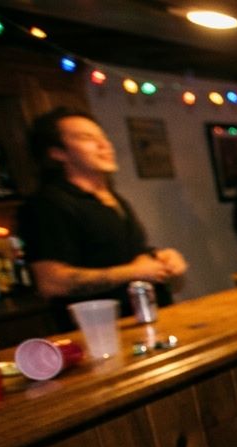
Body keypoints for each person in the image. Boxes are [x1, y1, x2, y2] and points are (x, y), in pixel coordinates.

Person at [20, 107, 187, 328]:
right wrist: (134, 272)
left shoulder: (113, 198)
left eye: (103, 137)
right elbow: (51, 282)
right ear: (57, 153)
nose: (104, 145)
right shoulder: (48, 204)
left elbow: (119, 253)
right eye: (87, 138)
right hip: (100, 332)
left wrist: (160, 257)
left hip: (146, 319)